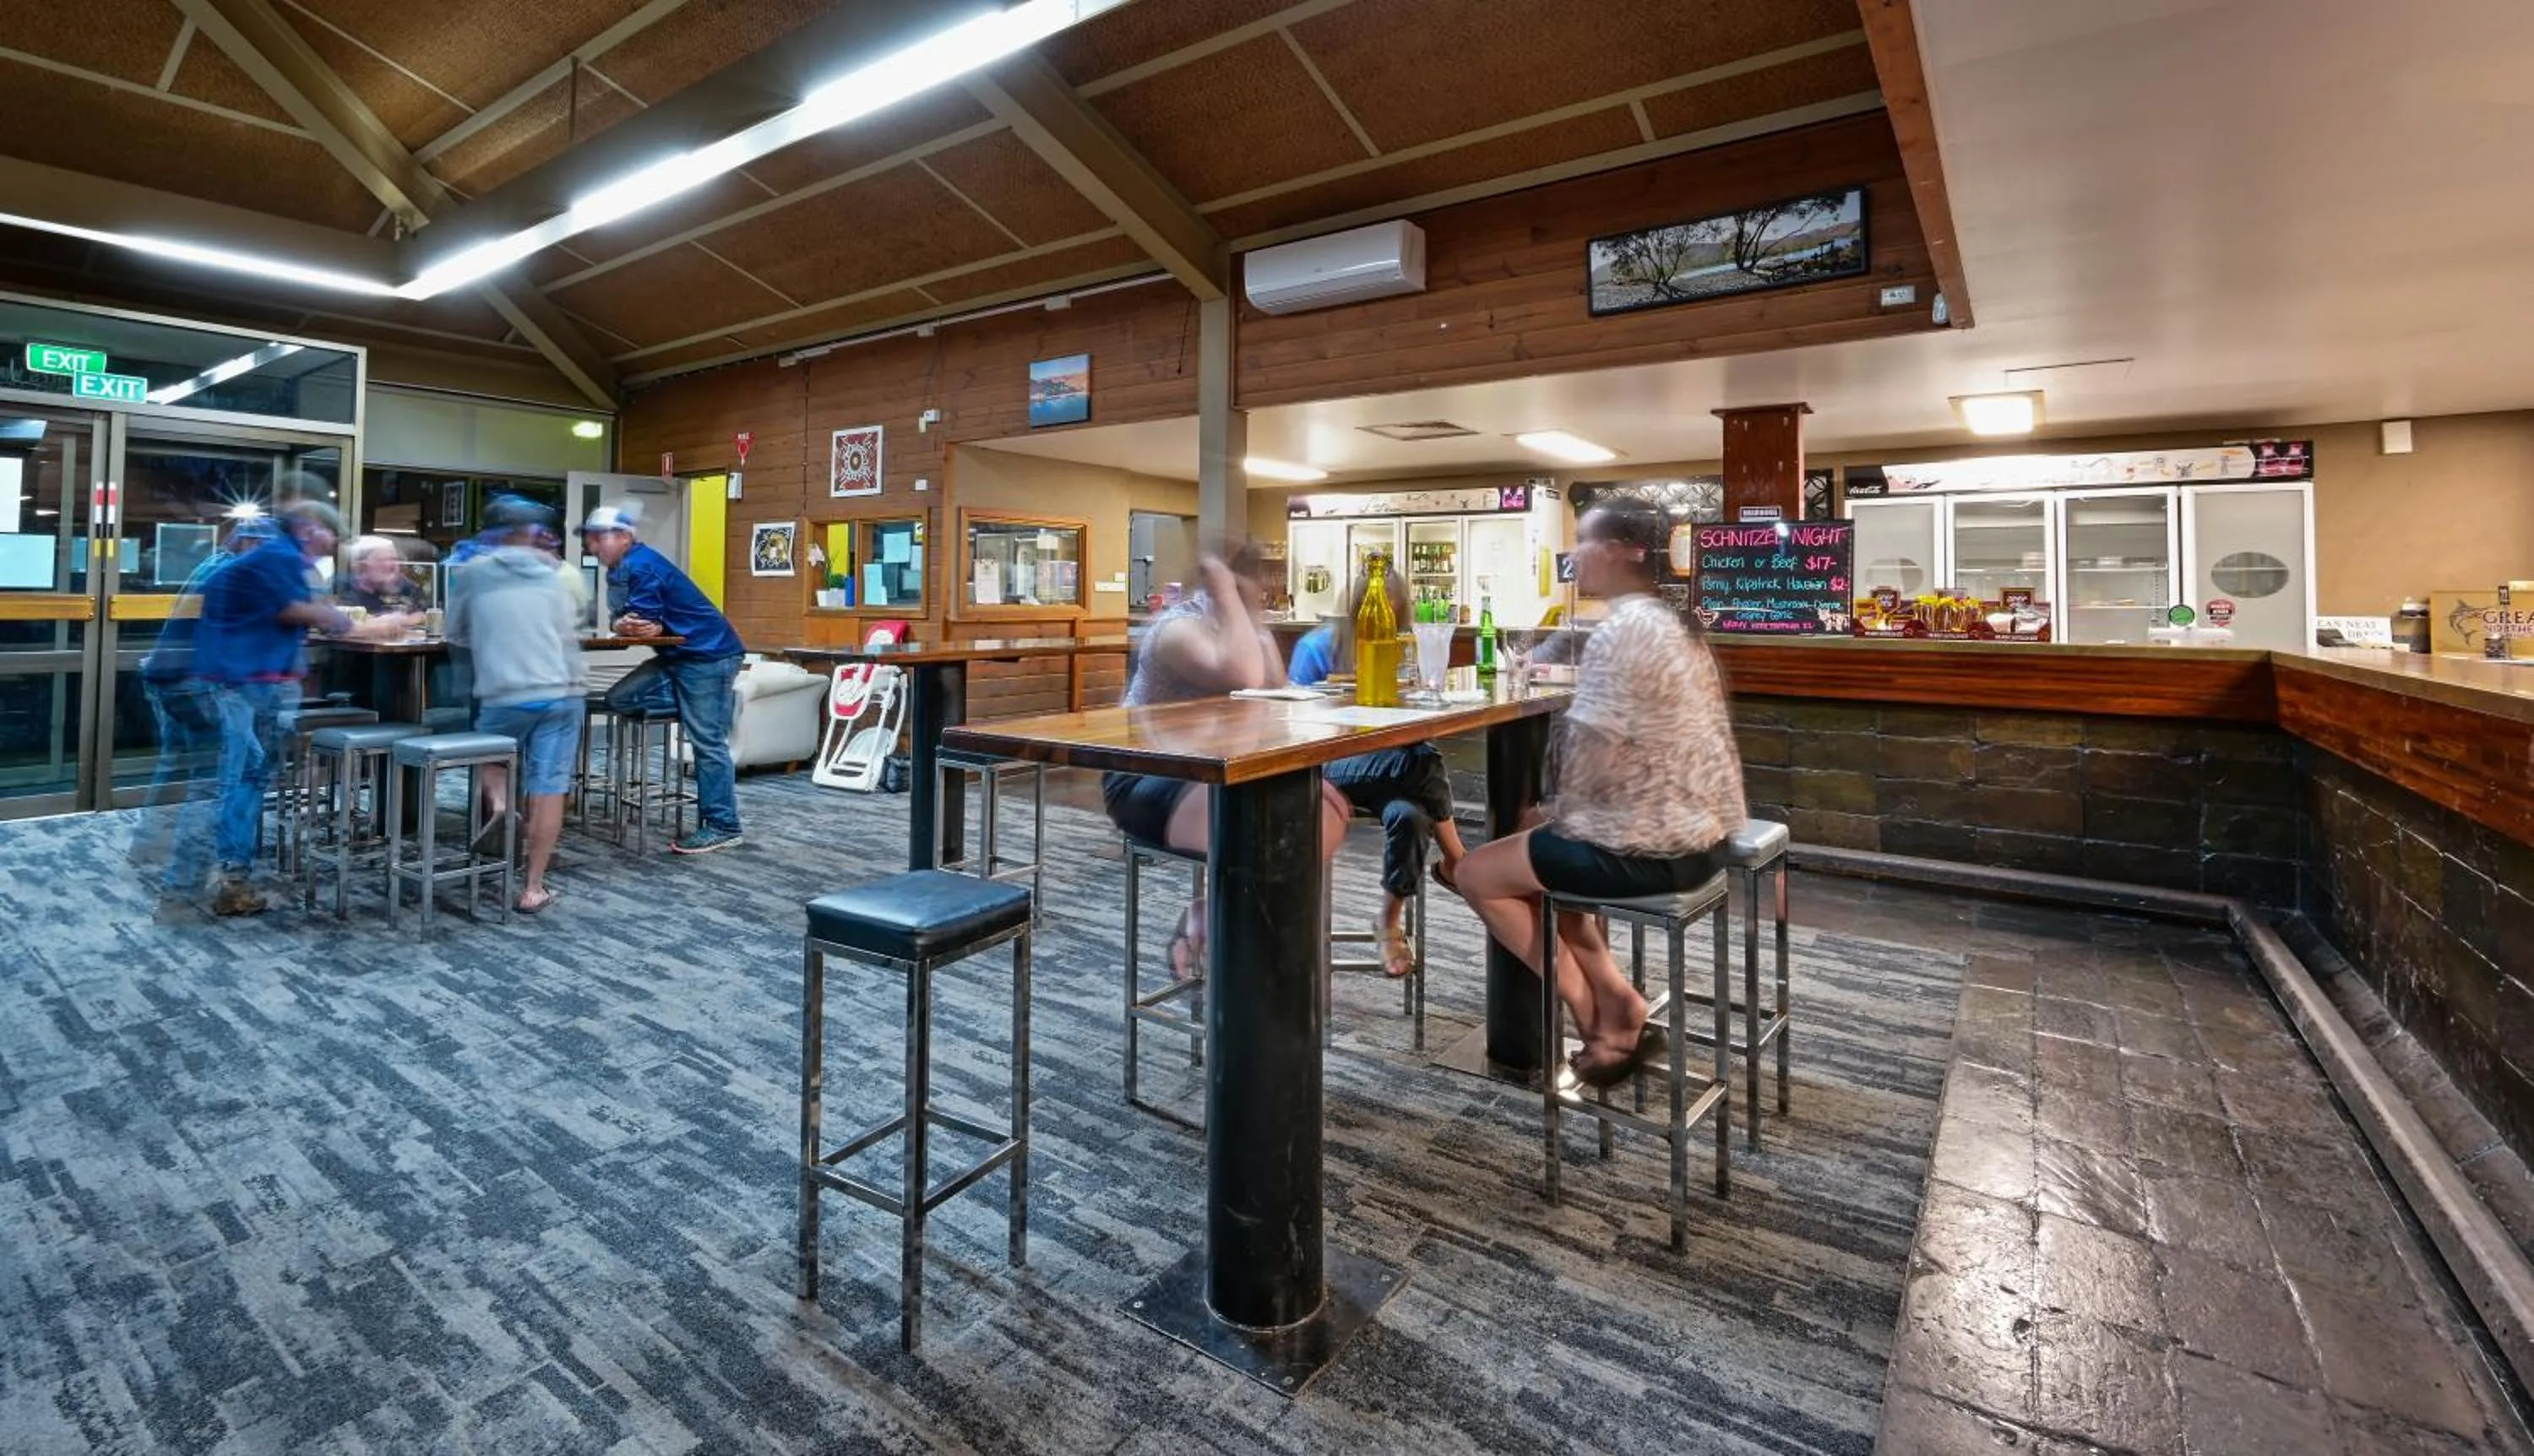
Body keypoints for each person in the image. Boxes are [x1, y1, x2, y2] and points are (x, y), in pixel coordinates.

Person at [1450, 498, 1747, 1087]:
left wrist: (1551, 811)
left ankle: (1600, 1026)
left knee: (1477, 874)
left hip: (1651, 850)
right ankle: (1618, 999)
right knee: (1538, 865)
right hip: (1703, 837)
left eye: (1582, 542)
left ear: (1614, 553)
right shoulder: (1673, 625)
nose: (1573, 555)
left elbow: (1593, 754)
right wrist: (1555, 819)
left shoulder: (1624, 632)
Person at [1103, 542, 1351, 976]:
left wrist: (1251, 623)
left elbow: (1275, 691)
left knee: (1322, 811)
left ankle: (1217, 921)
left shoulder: (1242, 633)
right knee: (1269, 831)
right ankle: (1251, 970)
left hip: (1224, 774)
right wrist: (1226, 593)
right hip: (1148, 776)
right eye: (1248, 582)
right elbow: (1240, 675)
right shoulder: (1177, 628)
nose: (1258, 591)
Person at [194, 499, 416, 915]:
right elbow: (293, 610)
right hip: (243, 680)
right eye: (331, 532)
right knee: (244, 771)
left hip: (250, 678)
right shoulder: (280, 556)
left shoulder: (274, 558)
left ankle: (231, 866)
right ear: (309, 528)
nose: (334, 542)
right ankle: (229, 872)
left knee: (250, 771)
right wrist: (363, 625)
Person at [1286, 561, 1471, 976]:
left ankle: (1388, 920)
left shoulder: (1403, 650)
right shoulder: (1318, 647)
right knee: (1422, 757)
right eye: (1378, 607)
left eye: (1394, 608)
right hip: (1327, 767)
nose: (1385, 614)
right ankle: (1458, 860)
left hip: (1388, 769)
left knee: (1410, 814)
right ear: (1358, 608)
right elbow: (1291, 726)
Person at [577, 504, 748, 855]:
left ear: (625, 537)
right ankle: (704, 706)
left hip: (708, 655)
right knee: (620, 699)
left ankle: (723, 825)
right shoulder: (619, 570)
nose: (593, 547)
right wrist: (623, 624)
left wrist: (632, 625)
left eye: (600, 538)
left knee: (707, 742)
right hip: (676, 658)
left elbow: (643, 625)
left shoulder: (642, 566)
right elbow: (627, 622)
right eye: (590, 540)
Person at [448, 497, 586, 914]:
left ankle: (503, 805)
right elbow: (573, 627)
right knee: (549, 787)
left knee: (491, 756)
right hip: (563, 690)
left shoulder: (471, 573)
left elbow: (456, 634)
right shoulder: (561, 573)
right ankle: (533, 888)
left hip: (504, 692)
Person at [340, 536, 424, 614]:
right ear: (364, 566)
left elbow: (423, 614)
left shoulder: (408, 590)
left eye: (394, 559)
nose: (391, 565)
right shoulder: (348, 597)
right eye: (381, 559)